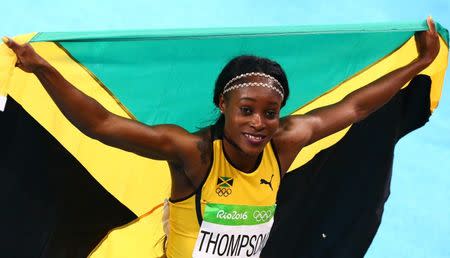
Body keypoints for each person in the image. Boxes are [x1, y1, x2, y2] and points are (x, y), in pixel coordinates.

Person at [3, 17, 439, 258]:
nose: (259, 123)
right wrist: (42, 68)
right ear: (222, 106)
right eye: (246, 110)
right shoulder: (192, 153)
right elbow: (101, 124)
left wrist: (417, 64)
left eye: (270, 113)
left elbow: (355, 108)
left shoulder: (285, 142)